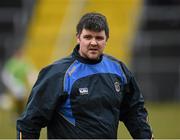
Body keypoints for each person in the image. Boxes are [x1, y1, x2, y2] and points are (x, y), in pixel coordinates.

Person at [16, 12, 153, 139]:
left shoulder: (119, 70)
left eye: (99, 38)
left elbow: (135, 112)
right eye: (88, 37)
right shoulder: (57, 74)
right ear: (78, 38)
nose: (93, 43)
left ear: (106, 40)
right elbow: (29, 123)